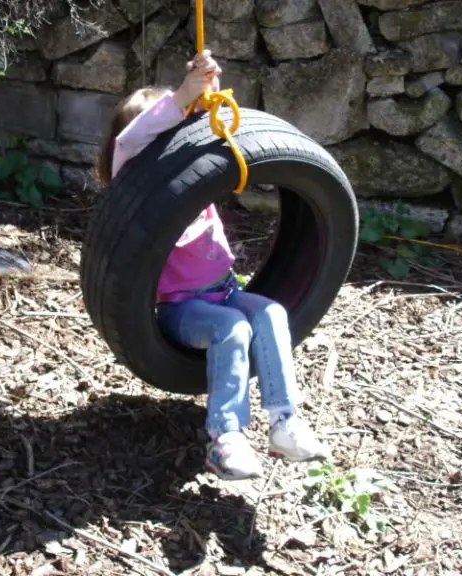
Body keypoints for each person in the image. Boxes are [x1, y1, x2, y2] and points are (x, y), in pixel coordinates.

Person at [96, 50, 330, 481]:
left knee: (272, 312)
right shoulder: (140, 194)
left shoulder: (189, 180)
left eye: (181, 130)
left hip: (226, 292)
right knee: (233, 329)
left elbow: (216, 131)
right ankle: (225, 439)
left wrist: (204, 89)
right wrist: (183, 94)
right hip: (182, 310)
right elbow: (133, 142)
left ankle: (284, 421)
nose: (178, 143)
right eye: (169, 134)